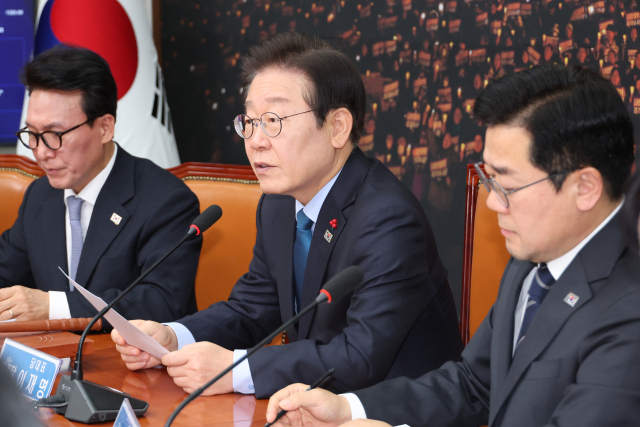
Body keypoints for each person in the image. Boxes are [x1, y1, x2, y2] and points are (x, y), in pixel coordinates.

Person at [265, 64, 640, 427]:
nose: (493, 203)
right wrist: (348, 408)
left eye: (508, 186)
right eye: (489, 180)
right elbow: (475, 386)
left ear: (584, 188)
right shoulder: (533, 260)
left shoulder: (629, 312)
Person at [112, 32, 463, 399]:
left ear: (337, 127)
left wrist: (236, 369)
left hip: (393, 411)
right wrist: (174, 336)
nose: (255, 141)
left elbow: (360, 356)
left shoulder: (388, 219)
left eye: (273, 120)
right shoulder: (279, 204)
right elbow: (252, 308)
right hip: (312, 406)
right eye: (250, 122)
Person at [0, 45, 202, 325]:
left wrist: (52, 306)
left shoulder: (166, 201)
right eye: (32, 133)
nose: (41, 152)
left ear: (105, 128)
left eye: (55, 134)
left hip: (126, 352)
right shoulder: (40, 195)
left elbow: (161, 302)